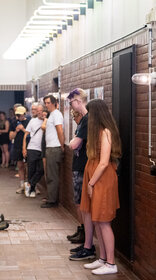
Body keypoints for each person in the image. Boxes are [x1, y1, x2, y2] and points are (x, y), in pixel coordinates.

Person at [80, 99, 121, 275]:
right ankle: (103, 258)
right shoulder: (98, 132)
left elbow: (104, 163)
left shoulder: (105, 132)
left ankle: (111, 263)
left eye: (90, 113)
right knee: (96, 219)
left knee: (103, 221)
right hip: (95, 177)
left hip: (101, 180)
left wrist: (91, 182)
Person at [66, 89, 96, 262]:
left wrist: (73, 141)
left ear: (78, 101)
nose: (71, 106)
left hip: (84, 167)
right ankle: (87, 243)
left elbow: (74, 144)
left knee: (84, 207)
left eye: (71, 102)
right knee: (82, 206)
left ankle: (88, 246)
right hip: (81, 166)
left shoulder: (86, 119)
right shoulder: (85, 120)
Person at [41, 95, 64, 208]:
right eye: (45, 103)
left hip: (54, 148)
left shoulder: (57, 114)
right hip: (50, 147)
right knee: (50, 174)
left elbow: (60, 131)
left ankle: (52, 200)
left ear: (54, 103)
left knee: (52, 175)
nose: (46, 105)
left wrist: (62, 145)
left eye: (48, 102)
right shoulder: (51, 115)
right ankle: (51, 197)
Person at [22, 104, 45, 198]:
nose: (39, 112)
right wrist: (24, 148)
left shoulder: (47, 121)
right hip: (32, 148)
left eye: (40, 110)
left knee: (41, 170)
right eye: (37, 110)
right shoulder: (33, 121)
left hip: (42, 149)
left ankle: (29, 184)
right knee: (31, 170)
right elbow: (25, 135)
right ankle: (32, 190)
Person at [10, 106, 30, 193]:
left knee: (28, 167)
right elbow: (11, 137)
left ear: (24, 114)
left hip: (28, 146)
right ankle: (22, 185)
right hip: (17, 146)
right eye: (17, 115)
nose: (19, 117)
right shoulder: (14, 123)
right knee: (20, 166)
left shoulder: (29, 122)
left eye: (20, 115)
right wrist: (16, 131)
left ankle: (29, 184)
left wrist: (23, 129)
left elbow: (30, 134)